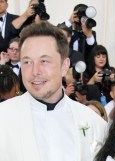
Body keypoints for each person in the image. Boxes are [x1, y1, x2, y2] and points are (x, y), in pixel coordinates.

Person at [0, 21, 107, 161]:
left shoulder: (94, 124)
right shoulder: (3, 117)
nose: (35, 71)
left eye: (44, 61)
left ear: (64, 66)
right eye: (27, 62)